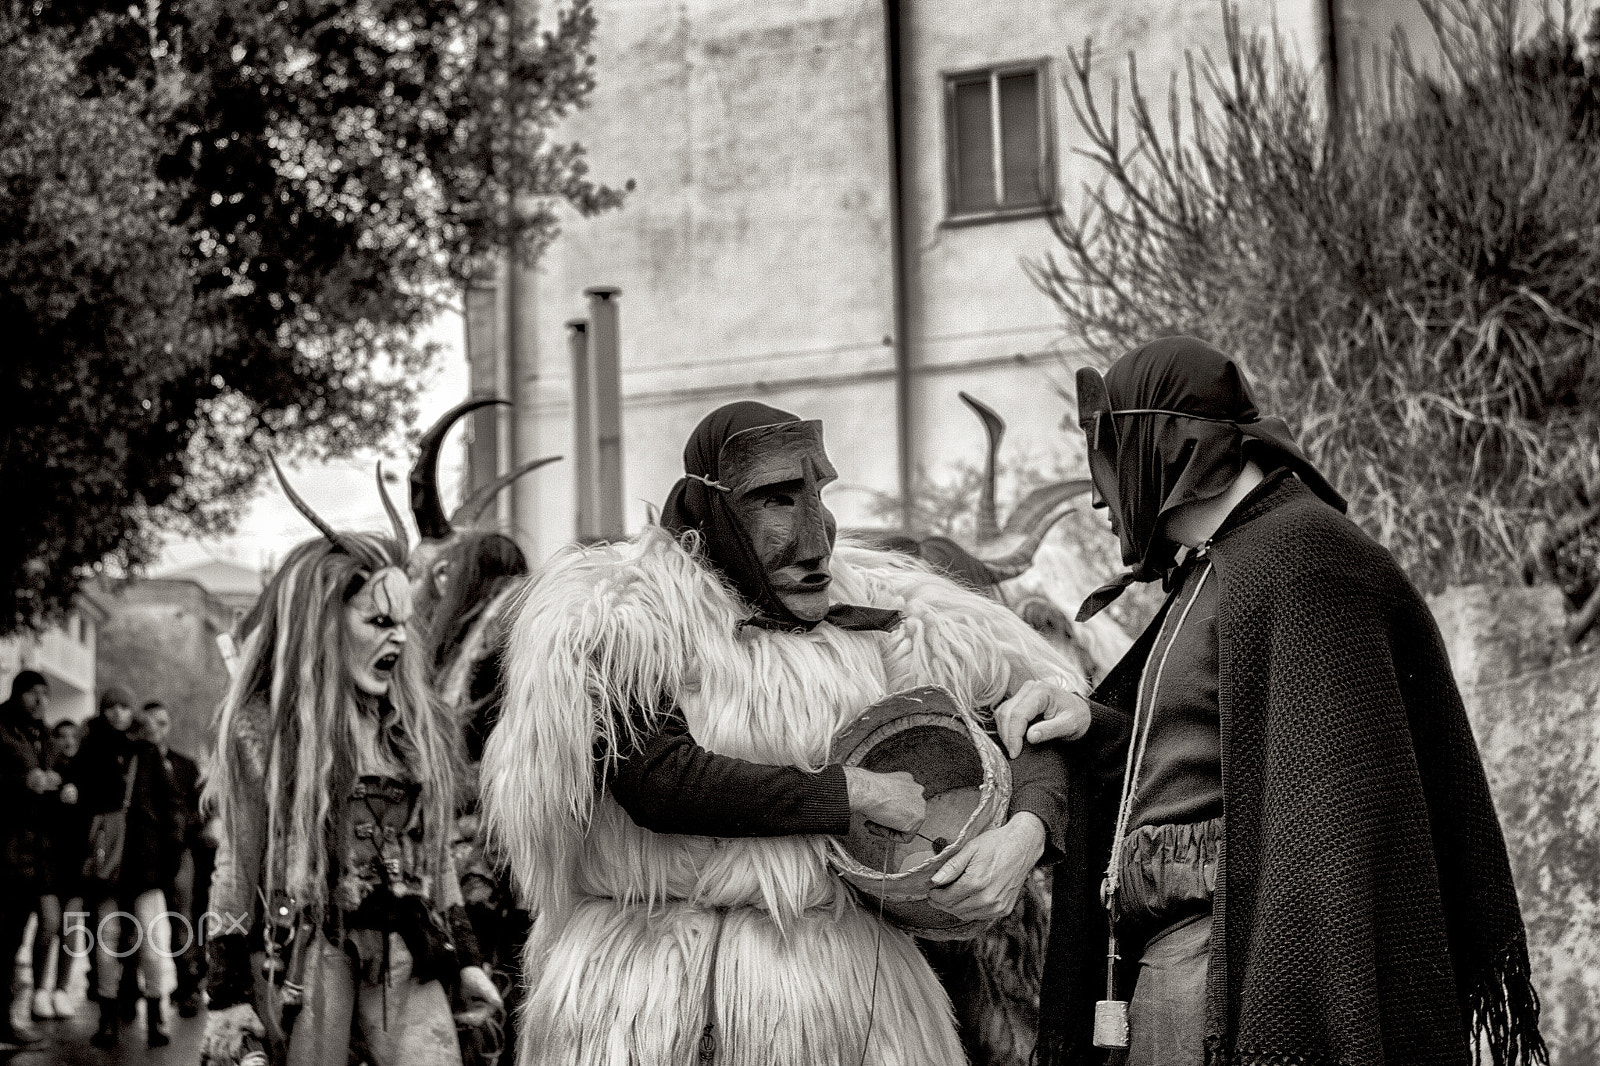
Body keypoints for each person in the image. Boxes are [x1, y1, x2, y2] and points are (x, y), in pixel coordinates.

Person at [480, 401, 1091, 1065]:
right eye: (775, 498)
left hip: (839, 1002)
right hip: (645, 1000)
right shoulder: (621, 616)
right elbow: (661, 780)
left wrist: (1023, 836)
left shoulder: (890, 612)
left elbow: (1036, 708)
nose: (813, 537)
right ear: (707, 509)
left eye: (818, 493)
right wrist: (851, 791)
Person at [1032, 337, 1543, 1065]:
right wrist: (1098, 725)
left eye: (1114, 455)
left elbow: (1333, 833)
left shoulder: (1304, 561)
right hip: (1169, 974)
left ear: (1169, 446)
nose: (1098, 493)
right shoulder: (1221, 568)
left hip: (1225, 982)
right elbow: (1218, 749)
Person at [200, 470, 502, 1066]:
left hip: (408, 955)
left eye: (402, 626)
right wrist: (226, 992)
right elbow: (238, 863)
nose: (396, 640)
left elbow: (433, 856)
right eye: (377, 622)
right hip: (310, 958)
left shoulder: (416, 728)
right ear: (325, 623)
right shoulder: (263, 731)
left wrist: (464, 958)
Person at [73, 684, 183, 1049]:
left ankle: (156, 1016)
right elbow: (80, 811)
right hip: (108, 867)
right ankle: (108, 1019)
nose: (119, 713)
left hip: (146, 863)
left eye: (125, 706)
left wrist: (169, 858)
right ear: (102, 711)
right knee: (106, 944)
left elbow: (171, 808)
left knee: (153, 944)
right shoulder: (90, 751)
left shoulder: (148, 752)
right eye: (111, 707)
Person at [0, 670, 64, 1048]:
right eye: (32, 693)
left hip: (31, 855)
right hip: (4, 850)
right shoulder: (2, 729)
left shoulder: (42, 735)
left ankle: (5, 1022)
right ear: (17, 694)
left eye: (45, 693)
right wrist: (22, 784)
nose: (41, 701)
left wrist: (61, 787)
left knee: (12, 941)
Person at [136, 701, 212, 1018]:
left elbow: (201, 809)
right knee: (140, 926)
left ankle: (188, 987)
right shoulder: (133, 762)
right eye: (151, 723)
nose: (157, 729)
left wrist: (181, 825)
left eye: (163, 723)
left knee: (181, 921)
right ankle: (132, 991)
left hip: (180, 853)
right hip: (143, 856)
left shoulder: (185, 765)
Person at [34, 718, 88, 1022]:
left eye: (73, 736)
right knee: (48, 926)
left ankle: (61, 990)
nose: (68, 741)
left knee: (70, 930)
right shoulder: (46, 774)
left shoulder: (85, 775)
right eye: (61, 736)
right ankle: (40, 990)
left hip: (77, 867)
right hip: (48, 865)